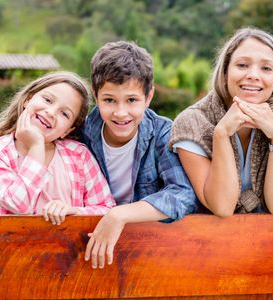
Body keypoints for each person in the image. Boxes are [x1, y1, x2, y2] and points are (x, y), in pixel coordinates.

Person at [81, 41, 199, 269]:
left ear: (148, 97)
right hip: (92, 245)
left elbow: (183, 194)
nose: (121, 112)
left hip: (149, 249)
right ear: (96, 96)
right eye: (109, 100)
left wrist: (120, 214)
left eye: (132, 100)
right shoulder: (83, 134)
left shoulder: (162, 132)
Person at [169, 27, 273, 217]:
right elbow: (222, 207)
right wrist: (221, 135)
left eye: (266, 68)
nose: (253, 75)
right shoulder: (191, 122)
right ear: (226, 72)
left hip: (271, 241)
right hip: (206, 240)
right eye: (242, 65)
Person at [0, 71, 115, 225]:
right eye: (47, 100)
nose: (51, 112)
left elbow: (106, 208)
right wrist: (36, 147)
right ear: (28, 100)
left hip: (68, 247)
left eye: (65, 114)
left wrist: (75, 211)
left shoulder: (79, 155)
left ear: (67, 130)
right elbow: (19, 205)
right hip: (12, 247)